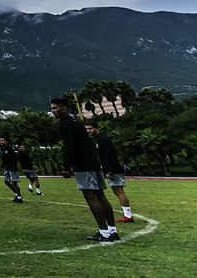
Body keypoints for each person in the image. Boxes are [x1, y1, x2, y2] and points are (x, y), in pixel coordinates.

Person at [52, 98, 118, 242]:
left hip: (83, 165)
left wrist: (65, 166)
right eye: (52, 108)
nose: (53, 111)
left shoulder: (66, 124)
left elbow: (70, 147)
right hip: (93, 163)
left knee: (90, 196)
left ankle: (104, 232)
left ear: (64, 109)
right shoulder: (76, 122)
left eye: (55, 108)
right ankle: (112, 230)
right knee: (101, 195)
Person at [86, 122, 135, 223]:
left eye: (90, 129)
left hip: (113, 169)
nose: (88, 131)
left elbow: (110, 156)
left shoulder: (103, 140)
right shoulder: (99, 140)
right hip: (110, 169)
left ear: (96, 128)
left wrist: (110, 171)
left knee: (118, 190)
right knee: (116, 190)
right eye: (87, 129)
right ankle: (127, 215)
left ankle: (128, 216)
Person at [0, 137, 23, 203]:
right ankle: (16, 194)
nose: (1, 142)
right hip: (7, 168)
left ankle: (19, 198)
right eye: (0, 140)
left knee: (14, 183)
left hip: (12, 169)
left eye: (2, 140)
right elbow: (3, 160)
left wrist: (13, 166)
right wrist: (1, 167)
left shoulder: (10, 149)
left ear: (6, 141)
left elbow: (15, 159)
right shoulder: (3, 149)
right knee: (6, 182)